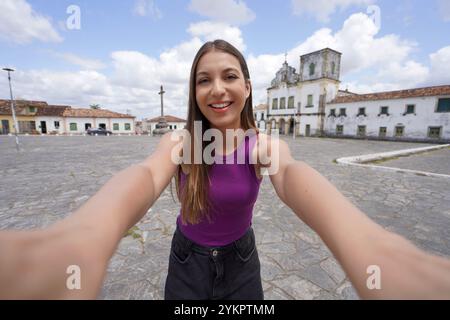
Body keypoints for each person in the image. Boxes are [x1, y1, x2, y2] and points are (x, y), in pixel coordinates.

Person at [1, 39, 450, 300]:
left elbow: (293, 178)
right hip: (186, 262)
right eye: (204, 79)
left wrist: (376, 248)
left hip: (241, 262)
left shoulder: (262, 144)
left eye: (230, 76)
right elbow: (143, 176)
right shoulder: (180, 143)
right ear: (194, 91)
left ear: (248, 87)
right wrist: (84, 235)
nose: (218, 89)